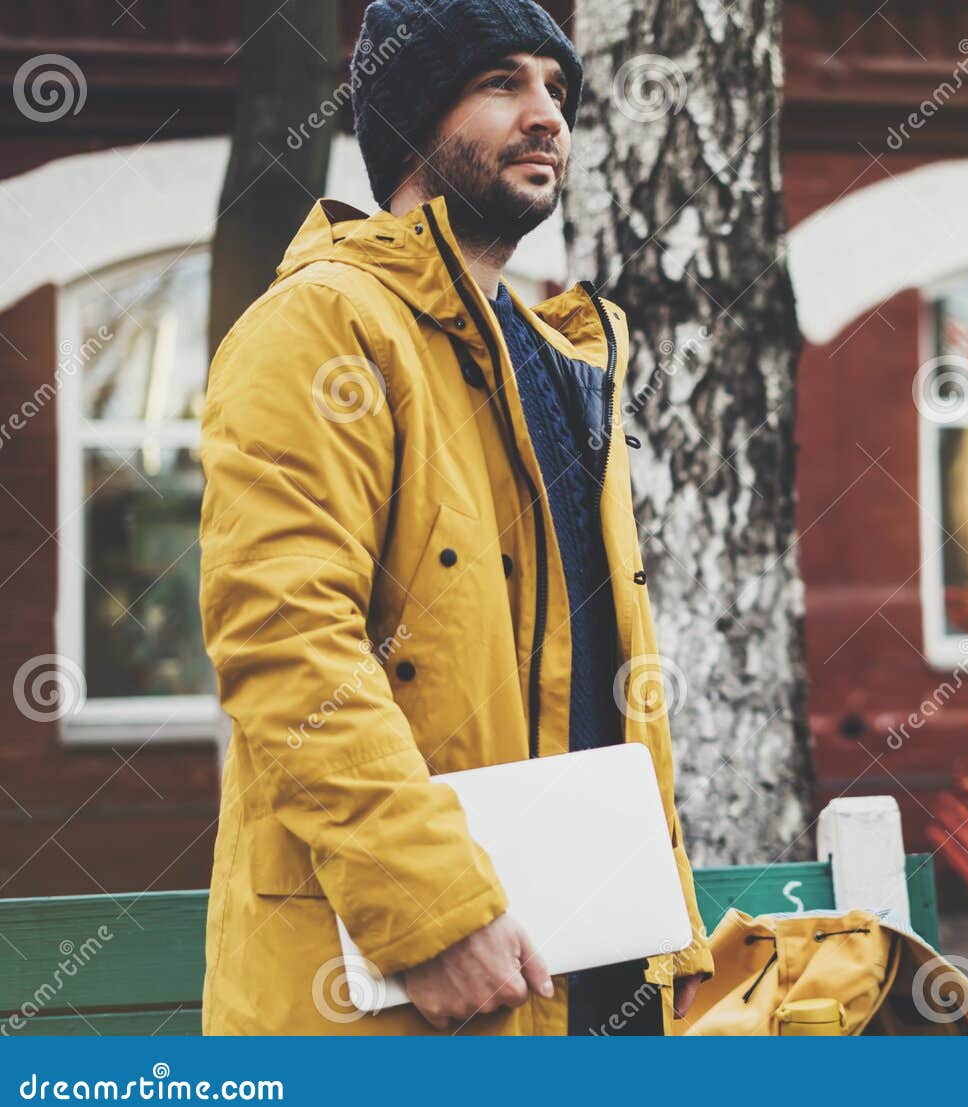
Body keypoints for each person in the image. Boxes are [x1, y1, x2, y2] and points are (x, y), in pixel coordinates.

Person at [197, 0, 712, 1035]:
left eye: (558, 91)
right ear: (412, 118)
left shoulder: (566, 358)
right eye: (501, 84)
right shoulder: (321, 323)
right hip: (398, 985)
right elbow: (284, 634)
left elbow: (600, 676)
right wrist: (430, 907)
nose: (546, 116)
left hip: (592, 970)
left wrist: (672, 935)